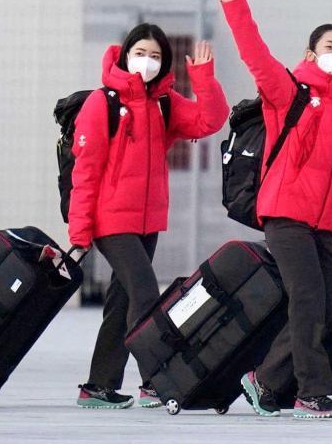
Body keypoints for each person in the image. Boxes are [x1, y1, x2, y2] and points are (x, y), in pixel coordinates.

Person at [209, 0, 332, 419]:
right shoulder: (289, 93)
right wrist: (235, 5)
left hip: (326, 224)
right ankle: (311, 391)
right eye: (329, 48)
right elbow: (255, 55)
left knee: (328, 301)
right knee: (306, 296)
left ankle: (262, 381)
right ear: (310, 53)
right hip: (284, 214)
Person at [70, 24, 229, 409]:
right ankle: (156, 378)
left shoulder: (164, 103)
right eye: (141, 52)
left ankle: (98, 386)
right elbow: (85, 170)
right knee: (144, 294)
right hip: (111, 221)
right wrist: (80, 231)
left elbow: (210, 120)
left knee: (124, 302)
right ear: (125, 54)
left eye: (156, 56)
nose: (147, 61)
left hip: (147, 222)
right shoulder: (101, 103)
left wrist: (203, 78)